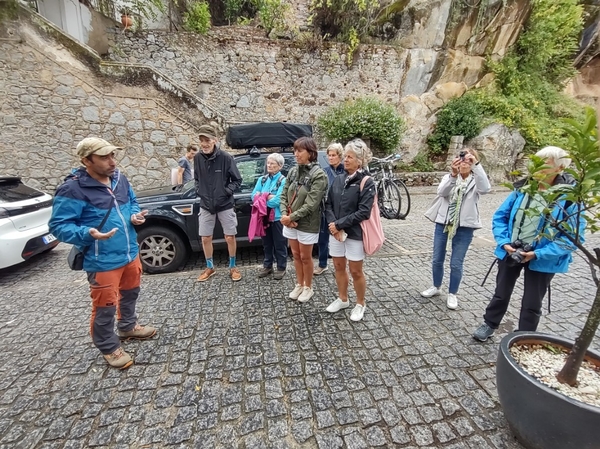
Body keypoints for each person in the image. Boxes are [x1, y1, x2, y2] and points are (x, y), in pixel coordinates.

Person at [49, 137, 156, 370]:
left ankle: (128, 326)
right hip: (102, 260)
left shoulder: (120, 179)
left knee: (130, 294)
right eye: (104, 157)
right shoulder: (72, 189)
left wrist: (135, 216)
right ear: (86, 160)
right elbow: (59, 226)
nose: (112, 161)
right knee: (105, 305)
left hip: (129, 253)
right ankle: (108, 346)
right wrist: (88, 233)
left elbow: (132, 203)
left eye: (113, 155)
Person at [472, 146, 586, 341]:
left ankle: (524, 336)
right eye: (535, 162)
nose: (536, 168)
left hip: (542, 259)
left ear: (559, 169)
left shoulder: (569, 199)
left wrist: (538, 254)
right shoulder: (523, 189)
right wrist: (504, 242)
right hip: (511, 250)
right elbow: (500, 216)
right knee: (501, 292)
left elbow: (573, 238)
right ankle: (490, 323)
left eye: (544, 164)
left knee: (532, 301)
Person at [422, 148, 491, 309]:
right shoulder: (450, 177)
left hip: (465, 226)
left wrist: (476, 165)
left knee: (456, 262)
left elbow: (485, 189)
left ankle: (452, 293)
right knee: (437, 258)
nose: (464, 162)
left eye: (469, 159)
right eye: (461, 158)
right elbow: (441, 192)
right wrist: (453, 175)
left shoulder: (476, 180)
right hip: (444, 222)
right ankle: (436, 286)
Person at [324, 139, 376, 322]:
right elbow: (328, 203)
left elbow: (363, 212)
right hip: (335, 232)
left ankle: (360, 303)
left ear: (359, 160)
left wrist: (339, 225)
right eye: (345, 156)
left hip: (354, 234)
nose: (345, 159)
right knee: (338, 266)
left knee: (355, 271)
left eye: (349, 157)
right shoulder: (338, 179)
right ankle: (343, 298)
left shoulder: (367, 182)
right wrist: (333, 225)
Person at [280, 137, 328, 303]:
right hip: (289, 221)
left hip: (307, 223)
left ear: (311, 152)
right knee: (295, 254)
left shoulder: (319, 175)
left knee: (305, 256)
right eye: (295, 150)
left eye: (300, 150)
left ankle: (308, 287)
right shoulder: (293, 171)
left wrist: (290, 217)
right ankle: (299, 284)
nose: (296, 154)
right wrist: (284, 215)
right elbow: (283, 194)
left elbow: (311, 204)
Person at [194, 124, 243, 282]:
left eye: (207, 140)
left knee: (230, 237)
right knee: (205, 238)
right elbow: (196, 179)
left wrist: (225, 192)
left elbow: (237, 180)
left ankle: (233, 266)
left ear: (214, 140)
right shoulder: (197, 158)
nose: (204, 143)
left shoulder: (226, 158)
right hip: (206, 205)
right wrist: (199, 191)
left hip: (225, 204)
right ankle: (210, 267)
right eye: (202, 140)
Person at [251, 153, 287, 280]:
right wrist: (266, 197)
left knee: (279, 243)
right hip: (263, 217)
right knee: (266, 243)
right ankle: (268, 266)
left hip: (277, 218)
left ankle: (281, 267)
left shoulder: (283, 181)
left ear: (280, 166)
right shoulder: (262, 179)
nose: (269, 165)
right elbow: (253, 196)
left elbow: (277, 201)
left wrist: (262, 197)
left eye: (272, 163)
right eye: (268, 163)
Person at [314, 142, 346, 276]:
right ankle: (322, 264)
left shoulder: (346, 171)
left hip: (340, 210)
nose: (331, 158)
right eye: (329, 155)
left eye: (333, 155)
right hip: (325, 209)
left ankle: (343, 266)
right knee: (323, 238)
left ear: (340, 156)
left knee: (342, 238)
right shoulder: (324, 171)